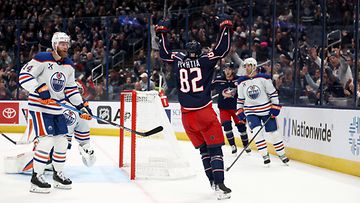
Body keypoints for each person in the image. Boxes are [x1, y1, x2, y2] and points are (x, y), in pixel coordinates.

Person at [156, 14, 233, 200]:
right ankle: (220, 184)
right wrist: (226, 27)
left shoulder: (179, 60)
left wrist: (163, 33)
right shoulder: (205, 60)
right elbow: (222, 49)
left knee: (204, 151)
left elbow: (165, 53)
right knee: (215, 149)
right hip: (204, 112)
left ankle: (212, 182)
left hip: (186, 117)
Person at [18, 32, 93, 193]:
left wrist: (81, 106)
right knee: (46, 141)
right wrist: (39, 88)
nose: (65, 47)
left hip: (56, 109)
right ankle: (36, 178)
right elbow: (24, 76)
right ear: (54, 45)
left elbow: (71, 89)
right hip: (39, 107)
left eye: (67, 44)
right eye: (62, 44)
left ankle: (58, 174)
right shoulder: (42, 58)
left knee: (62, 142)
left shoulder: (68, 65)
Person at [236, 57, 289, 166]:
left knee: (274, 134)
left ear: (254, 66)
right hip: (251, 112)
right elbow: (240, 99)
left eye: (248, 65)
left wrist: (275, 107)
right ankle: (265, 155)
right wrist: (240, 111)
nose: (246, 68)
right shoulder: (241, 81)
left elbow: (273, 94)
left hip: (266, 110)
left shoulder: (264, 78)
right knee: (256, 132)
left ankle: (282, 154)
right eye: (245, 66)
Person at [211, 62, 250, 154]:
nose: (227, 71)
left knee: (241, 127)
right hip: (224, 109)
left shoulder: (239, 80)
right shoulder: (218, 80)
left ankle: (246, 145)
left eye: (229, 69)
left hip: (236, 108)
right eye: (226, 69)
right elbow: (207, 88)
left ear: (233, 70)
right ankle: (232, 145)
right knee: (227, 127)